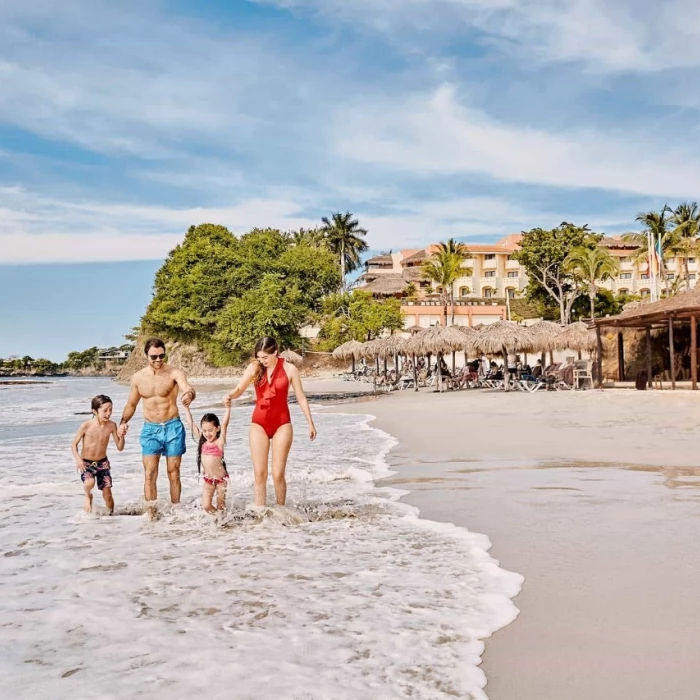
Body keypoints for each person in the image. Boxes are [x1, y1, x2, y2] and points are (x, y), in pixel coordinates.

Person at [224, 336, 317, 507]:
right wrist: (230, 395)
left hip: (282, 423)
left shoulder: (290, 369)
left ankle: (281, 510)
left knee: (278, 474)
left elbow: (301, 398)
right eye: (259, 357)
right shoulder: (254, 368)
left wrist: (310, 423)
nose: (262, 361)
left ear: (275, 352)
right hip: (258, 423)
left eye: (265, 357)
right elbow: (240, 388)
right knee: (260, 473)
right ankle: (260, 513)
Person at [118, 338, 196, 505]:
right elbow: (131, 404)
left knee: (173, 471)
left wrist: (189, 395)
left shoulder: (174, 373)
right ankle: (152, 517)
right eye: (154, 357)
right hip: (150, 429)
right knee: (150, 473)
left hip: (173, 427)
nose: (159, 360)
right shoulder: (138, 378)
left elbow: (187, 388)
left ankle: (175, 511)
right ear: (146, 355)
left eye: (162, 356)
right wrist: (123, 422)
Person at [71, 394, 124, 514]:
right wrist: (78, 459)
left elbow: (120, 447)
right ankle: (87, 495)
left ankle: (111, 515)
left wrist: (122, 435)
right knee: (89, 483)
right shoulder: (86, 425)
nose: (109, 413)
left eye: (111, 409)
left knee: (108, 494)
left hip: (102, 463)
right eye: (105, 410)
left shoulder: (111, 426)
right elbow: (73, 445)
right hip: (87, 463)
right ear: (94, 411)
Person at [183, 399, 232, 513]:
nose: (207, 433)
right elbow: (191, 424)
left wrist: (228, 408)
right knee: (206, 506)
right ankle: (219, 520)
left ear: (217, 429)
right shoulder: (202, 441)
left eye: (210, 430)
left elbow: (225, 423)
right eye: (204, 431)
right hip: (208, 480)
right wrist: (186, 408)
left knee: (221, 507)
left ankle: (223, 525)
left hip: (221, 480)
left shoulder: (219, 442)